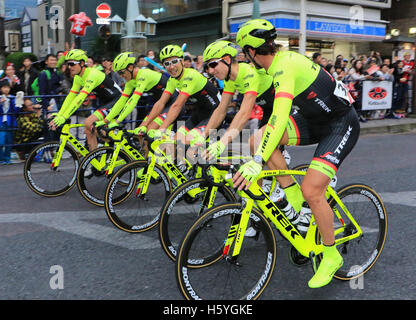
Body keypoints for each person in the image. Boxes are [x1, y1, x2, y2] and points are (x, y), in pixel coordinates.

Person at [235, 19, 359, 289]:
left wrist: (257, 164)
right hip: (311, 121)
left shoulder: (285, 64)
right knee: (257, 140)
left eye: (244, 52)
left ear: (252, 51)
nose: (243, 58)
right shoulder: (264, 71)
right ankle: (292, 195)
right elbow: (250, 108)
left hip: (340, 124)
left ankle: (331, 254)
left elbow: (279, 116)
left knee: (313, 191)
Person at [198, 40, 276, 166]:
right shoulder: (230, 80)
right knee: (254, 164)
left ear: (227, 59)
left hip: (283, 109)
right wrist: (204, 135)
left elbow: (244, 113)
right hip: (268, 110)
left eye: (213, 64)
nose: (211, 71)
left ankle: (286, 184)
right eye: (208, 67)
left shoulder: (248, 73)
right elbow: (221, 110)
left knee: (258, 148)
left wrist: (223, 142)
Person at [141, 44, 220, 152]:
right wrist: (144, 125)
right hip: (198, 114)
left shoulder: (190, 76)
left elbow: (177, 105)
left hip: (215, 114)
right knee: (174, 143)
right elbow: (160, 103)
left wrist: (162, 129)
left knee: (185, 143)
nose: (171, 67)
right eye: (167, 64)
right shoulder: (172, 80)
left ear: (182, 61)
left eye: (174, 62)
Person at [49, 49, 122, 152]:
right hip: (105, 103)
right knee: (88, 131)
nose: (69, 67)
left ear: (82, 63)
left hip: (118, 101)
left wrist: (65, 116)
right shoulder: (78, 77)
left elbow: (80, 98)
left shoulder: (92, 74)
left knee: (88, 122)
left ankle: (116, 144)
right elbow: (71, 97)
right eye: (67, 64)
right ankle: (93, 161)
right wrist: (59, 115)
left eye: (72, 64)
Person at [98, 52, 172, 132]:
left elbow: (133, 100)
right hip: (161, 104)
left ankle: (179, 142)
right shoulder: (130, 82)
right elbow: (121, 102)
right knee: (141, 133)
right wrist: (106, 120)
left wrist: (118, 121)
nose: (120, 76)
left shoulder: (143, 75)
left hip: (175, 103)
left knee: (152, 131)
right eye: (118, 73)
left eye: (121, 72)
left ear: (130, 67)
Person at [0, 81, 20, 164]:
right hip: (1, 122)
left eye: (7, 87)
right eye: (4, 87)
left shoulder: (12, 97)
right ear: (1, 88)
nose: (6, 89)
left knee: (9, 141)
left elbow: (16, 111)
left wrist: (18, 102)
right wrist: (1, 103)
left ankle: (7, 158)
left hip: (10, 122)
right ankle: (1, 158)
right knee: (1, 141)